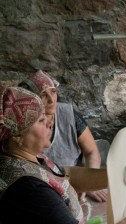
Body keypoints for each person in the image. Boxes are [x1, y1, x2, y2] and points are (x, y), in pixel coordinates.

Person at [0, 86, 126, 224]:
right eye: (41, 121)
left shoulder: (26, 158)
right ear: (17, 136)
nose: (50, 121)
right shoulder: (25, 190)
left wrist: (121, 176)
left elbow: (69, 175)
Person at [20, 70, 108, 202]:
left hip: (75, 180)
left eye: (53, 92)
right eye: (44, 94)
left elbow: (91, 151)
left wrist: (89, 183)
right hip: (46, 188)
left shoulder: (69, 115)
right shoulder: (24, 126)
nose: (51, 99)